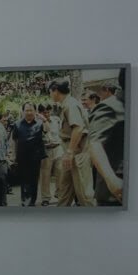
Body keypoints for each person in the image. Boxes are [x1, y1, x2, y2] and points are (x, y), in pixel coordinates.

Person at [48, 78, 96, 206]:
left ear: (56, 91)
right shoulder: (67, 103)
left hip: (76, 151)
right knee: (65, 190)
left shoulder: (70, 104)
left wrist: (69, 152)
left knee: (84, 194)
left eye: (50, 92)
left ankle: (94, 221)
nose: (50, 95)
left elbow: (78, 128)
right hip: (69, 150)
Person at [88, 81, 125, 205]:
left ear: (107, 90)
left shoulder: (120, 105)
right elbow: (95, 143)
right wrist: (111, 179)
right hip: (113, 186)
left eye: (101, 92)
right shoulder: (107, 106)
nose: (100, 95)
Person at [13, 102, 46, 206]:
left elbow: (48, 131)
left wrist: (44, 119)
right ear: (23, 111)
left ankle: (32, 201)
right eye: (27, 110)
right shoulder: (17, 124)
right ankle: (25, 200)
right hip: (22, 156)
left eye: (31, 110)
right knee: (24, 179)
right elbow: (14, 141)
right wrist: (13, 155)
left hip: (36, 157)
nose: (29, 112)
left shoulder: (40, 123)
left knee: (34, 179)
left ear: (35, 111)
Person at [37, 104, 62, 206]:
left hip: (58, 148)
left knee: (60, 173)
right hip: (46, 150)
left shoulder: (56, 120)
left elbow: (62, 132)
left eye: (48, 112)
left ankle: (60, 194)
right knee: (45, 175)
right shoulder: (38, 122)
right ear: (40, 112)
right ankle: (45, 198)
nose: (46, 114)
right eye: (44, 112)